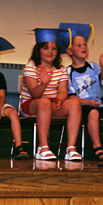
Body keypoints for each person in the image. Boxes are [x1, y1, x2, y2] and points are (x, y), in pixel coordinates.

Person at [19, 28, 82, 161]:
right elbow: (34, 94)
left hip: (52, 103)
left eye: (54, 48)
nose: (50, 51)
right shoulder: (31, 67)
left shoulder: (61, 69)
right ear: (38, 50)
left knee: (74, 103)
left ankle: (71, 148)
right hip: (31, 104)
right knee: (44, 102)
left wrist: (60, 98)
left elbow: (63, 90)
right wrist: (44, 83)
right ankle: (43, 147)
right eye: (46, 48)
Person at [58, 22, 103, 160]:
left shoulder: (93, 66)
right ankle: (97, 147)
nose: (83, 47)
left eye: (85, 44)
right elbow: (71, 97)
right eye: (78, 45)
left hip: (97, 103)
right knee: (93, 113)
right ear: (69, 51)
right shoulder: (67, 72)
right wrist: (88, 102)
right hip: (82, 107)